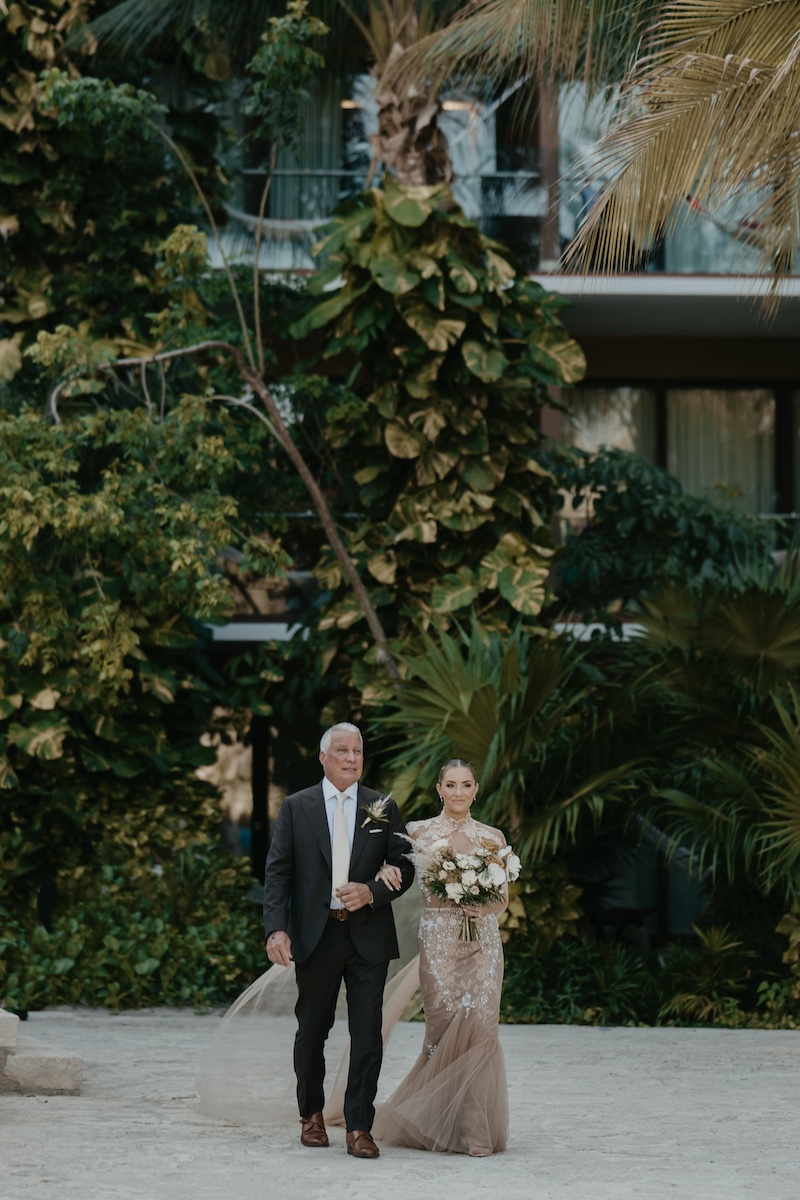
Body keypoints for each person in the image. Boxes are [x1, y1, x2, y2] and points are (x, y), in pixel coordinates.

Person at [262, 721, 415, 1159]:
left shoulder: (382, 806)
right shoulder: (297, 807)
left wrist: (373, 891)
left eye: (358, 752)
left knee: (368, 1033)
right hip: (316, 934)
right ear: (323, 758)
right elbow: (278, 872)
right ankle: (310, 1114)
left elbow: (405, 863)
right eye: (343, 751)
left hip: (368, 935)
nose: (351, 758)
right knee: (313, 1029)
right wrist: (276, 927)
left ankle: (359, 1127)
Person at [371, 758, 510, 1157]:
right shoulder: (418, 832)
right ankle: (436, 1124)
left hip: (482, 942)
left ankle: (475, 1132)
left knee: (482, 1029)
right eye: (451, 785)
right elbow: (389, 861)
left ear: (476, 790)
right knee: (442, 1029)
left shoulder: (492, 837)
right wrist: (382, 868)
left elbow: (502, 898)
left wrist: (480, 907)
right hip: (440, 942)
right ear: (439, 790)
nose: (459, 793)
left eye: (466, 785)